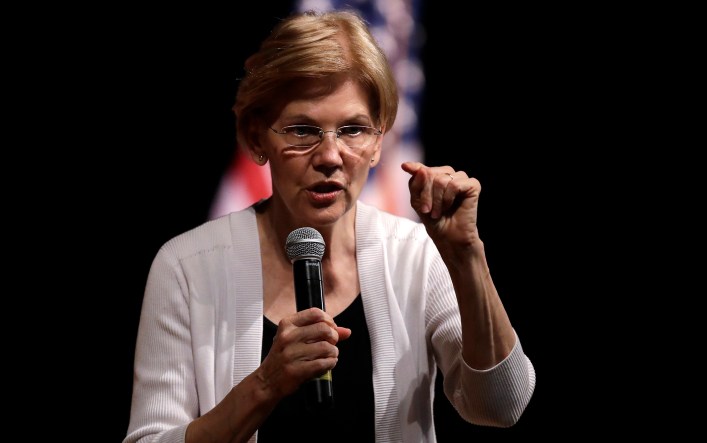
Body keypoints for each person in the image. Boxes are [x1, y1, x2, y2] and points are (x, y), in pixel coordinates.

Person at [123, 9, 535, 443]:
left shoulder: (416, 253)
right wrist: (265, 385)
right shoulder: (187, 267)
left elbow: (500, 405)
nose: (330, 156)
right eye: (303, 130)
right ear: (256, 137)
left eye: (354, 130)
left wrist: (466, 256)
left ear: (380, 142)